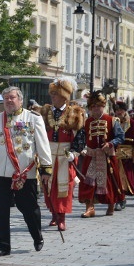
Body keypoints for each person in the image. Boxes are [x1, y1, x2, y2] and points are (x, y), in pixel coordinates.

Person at [0, 86, 52, 257]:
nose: (8, 101)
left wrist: (46, 168)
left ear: (20, 100)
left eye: (12, 97)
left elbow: (42, 145)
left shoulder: (33, 118)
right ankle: (3, 246)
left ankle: (37, 235)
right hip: (1, 172)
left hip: (24, 173)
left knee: (29, 208)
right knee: (1, 211)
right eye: (5, 98)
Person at [40, 77, 85, 231]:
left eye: (55, 94)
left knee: (64, 187)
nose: (52, 97)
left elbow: (80, 135)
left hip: (65, 156)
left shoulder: (75, 113)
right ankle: (53, 214)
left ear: (64, 96)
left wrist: (75, 152)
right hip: (49, 154)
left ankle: (62, 218)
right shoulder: (45, 112)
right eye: (51, 94)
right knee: (49, 186)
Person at [77, 91, 124, 217]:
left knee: (110, 181)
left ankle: (111, 204)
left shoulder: (112, 120)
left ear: (103, 106)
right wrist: (79, 148)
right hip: (91, 156)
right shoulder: (87, 122)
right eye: (93, 106)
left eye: (98, 106)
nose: (96, 109)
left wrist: (110, 143)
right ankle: (90, 207)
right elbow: (81, 138)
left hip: (107, 156)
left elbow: (120, 137)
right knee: (88, 182)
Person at [113, 100, 134, 211]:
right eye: (116, 110)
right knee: (115, 179)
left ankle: (121, 199)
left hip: (128, 157)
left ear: (124, 110)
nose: (118, 112)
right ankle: (119, 200)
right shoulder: (112, 123)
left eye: (120, 110)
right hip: (114, 156)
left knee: (125, 181)